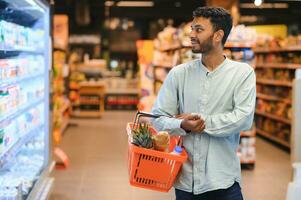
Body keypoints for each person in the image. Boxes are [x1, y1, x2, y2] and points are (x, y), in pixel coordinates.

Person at [151, 6, 256, 200]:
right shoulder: (179, 74)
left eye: (198, 30)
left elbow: (243, 119)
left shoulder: (242, 74)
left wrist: (199, 122)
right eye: (192, 28)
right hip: (186, 182)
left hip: (224, 182)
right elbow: (157, 118)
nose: (191, 34)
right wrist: (182, 124)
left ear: (218, 35)